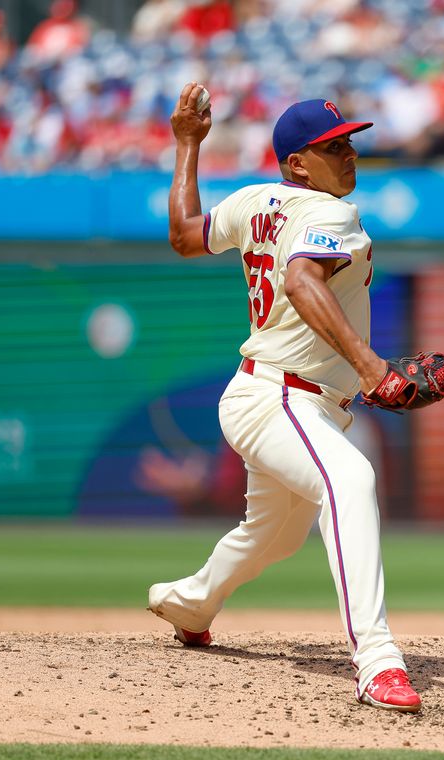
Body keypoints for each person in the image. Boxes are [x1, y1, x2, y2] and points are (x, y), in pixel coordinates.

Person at [147, 82, 422, 713]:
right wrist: (373, 366)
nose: (349, 154)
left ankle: (189, 602)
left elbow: (186, 235)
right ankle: (377, 660)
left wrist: (187, 144)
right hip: (280, 399)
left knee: (273, 536)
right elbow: (301, 279)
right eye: (332, 147)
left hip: (282, 398)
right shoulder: (334, 214)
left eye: (350, 141)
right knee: (350, 481)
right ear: (298, 163)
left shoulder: (255, 201)